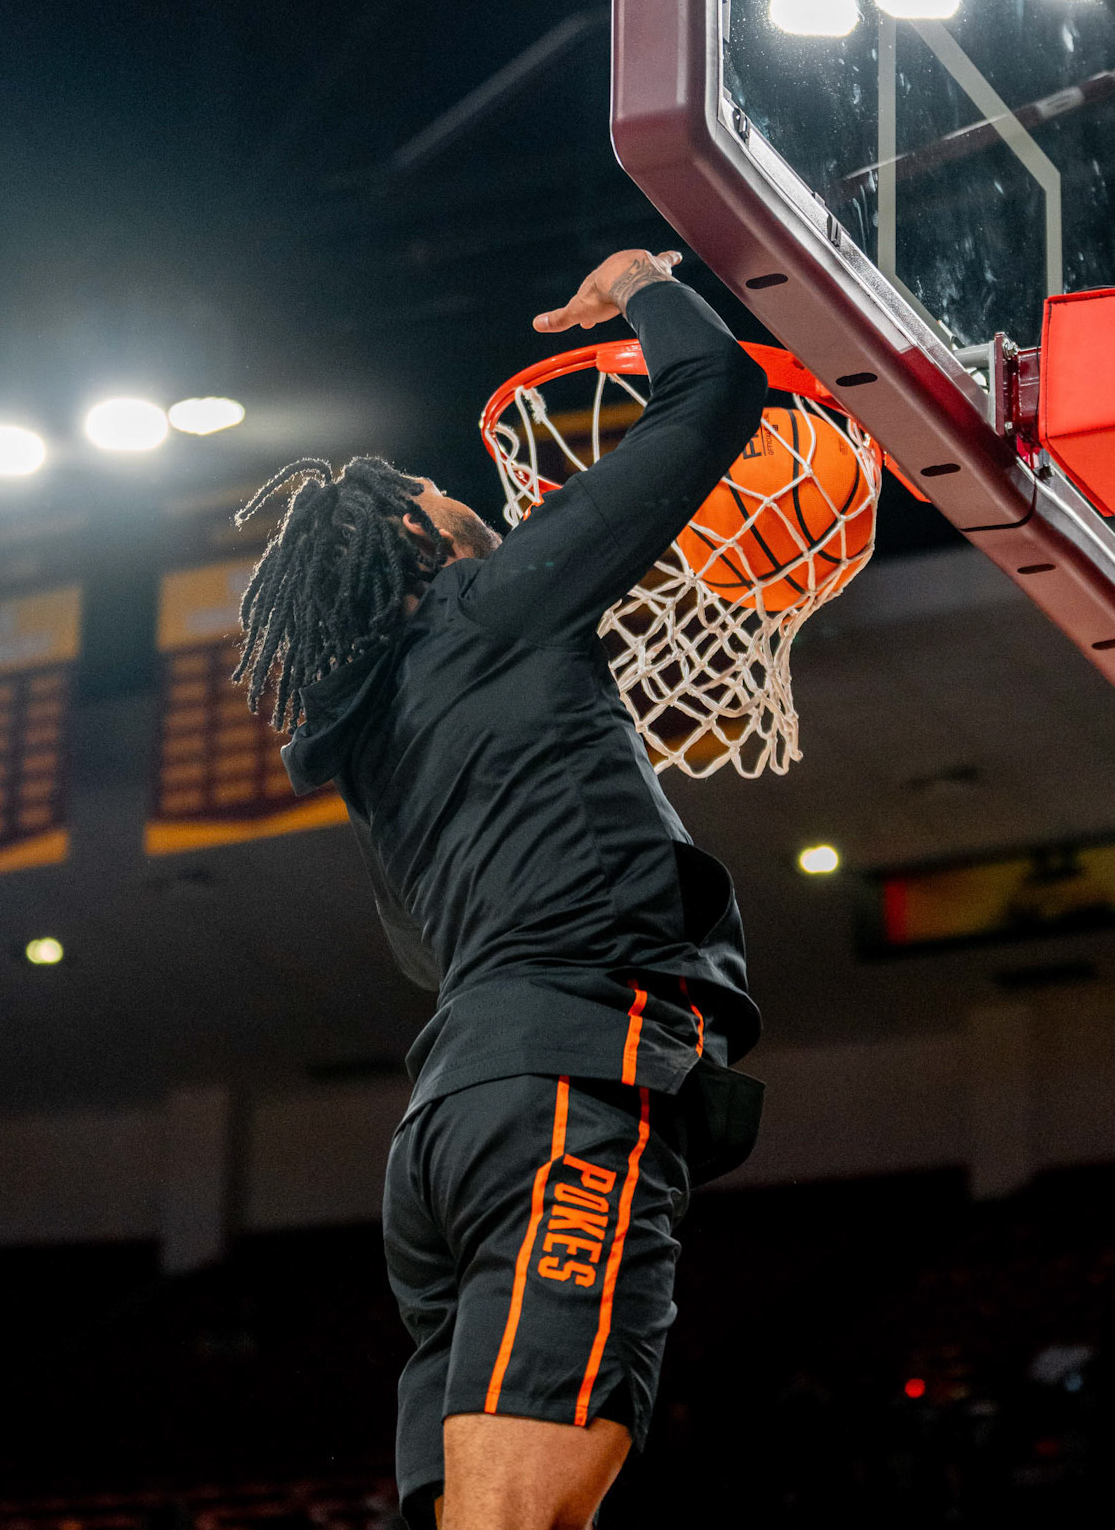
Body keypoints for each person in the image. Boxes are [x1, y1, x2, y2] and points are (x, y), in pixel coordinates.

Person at [234, 249, 769, 1530]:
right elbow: (715, 394)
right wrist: (645, 280)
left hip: (450, 1131)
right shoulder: (480, 611)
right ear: (419, 544)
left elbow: (434, 947)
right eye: (440, 492)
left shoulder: (369, 746)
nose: (469, 500)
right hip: (560, 1091)